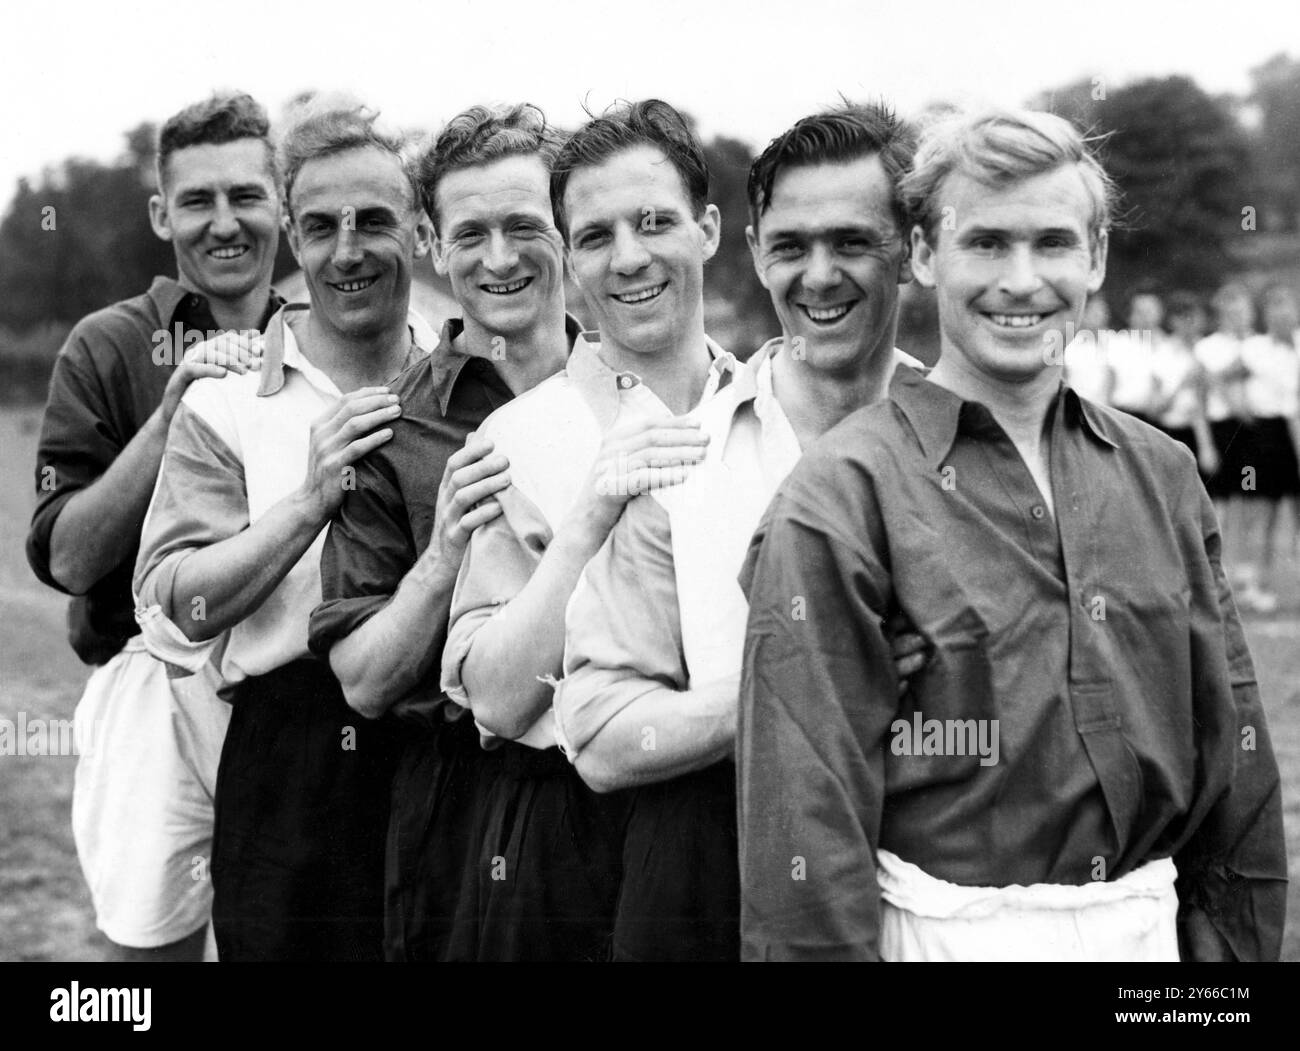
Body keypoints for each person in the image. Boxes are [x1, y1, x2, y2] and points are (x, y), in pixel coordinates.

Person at [736, 108, 1287, 962]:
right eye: (986, 243)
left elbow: (1233, 766)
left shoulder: (1162, 473)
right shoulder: (840, 495)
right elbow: (804, 816)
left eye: (1053, 244)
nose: (1022, 280)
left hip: (1146, 943)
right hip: (940, 937)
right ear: (924, 255)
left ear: (1096, 256)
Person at [554, 103, 924, 961]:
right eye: (792, 246)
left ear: (913, 247)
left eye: (855, 242)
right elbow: (603, 738)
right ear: (755, 251)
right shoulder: (685, 458)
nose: (819, 275)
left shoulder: (974, 447)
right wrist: (798, 686)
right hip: (728, 890)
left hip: (945, 888)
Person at [421, 97, 740, 961]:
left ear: (707, 228)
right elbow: (492, 696)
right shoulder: (519, 436)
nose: (628, 257)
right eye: (595, 235)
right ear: (570, 253)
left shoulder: (759, 412)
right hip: (562, 837)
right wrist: (587, 518)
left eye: (654, 222)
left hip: (740, 817)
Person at [306, 102, 608, 961]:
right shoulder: (388, 431)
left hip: (633, 777)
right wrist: (443, 557)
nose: (500, 257)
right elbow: (363, 686)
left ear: (567, 233)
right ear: (433, 248)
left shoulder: (645, 396)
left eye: (525, 226)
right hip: (463, 802)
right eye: (470, 233)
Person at [134, 104, 435, 961]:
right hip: (290, 762)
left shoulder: (464, 385)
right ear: (294, 243)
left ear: (418, 231)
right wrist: (306, 503)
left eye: (374, 221)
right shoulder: (225, 401)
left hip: (442, 748)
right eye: (320, 226)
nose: (348, 250)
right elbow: (172, 605)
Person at [26, 92, 281, 962]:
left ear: (279, 198)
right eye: (198, 200)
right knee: (149, 954)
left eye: (245, 195)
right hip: (151, 684)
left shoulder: (325, 333)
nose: (225, 223)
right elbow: (66, 557)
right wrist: (176, 410)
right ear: (160, 212)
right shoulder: (107, 344)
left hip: (297, 689)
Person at [1239, 284, 1300, 606]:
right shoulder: (1255, 348)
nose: (1282, 313)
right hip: (1266, 435)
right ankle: (1256, 586)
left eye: (1286, 305)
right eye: (1274, 307)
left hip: (1297, 429)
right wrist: (1241, 410)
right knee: (1262, 512)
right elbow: (1220, 378)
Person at [1148, 291, 1216, 475]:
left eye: (1194, 317)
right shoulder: (1161, 353)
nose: (1190, 323)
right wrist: (1182, 385)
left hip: (1210, 431)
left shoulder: (1209, 348)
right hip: (1172, 432)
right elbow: (1155, 408)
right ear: (1173, 321)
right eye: (1184, 317)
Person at [1107, 290, 1162, 424]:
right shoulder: (1117, 343)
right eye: (1140, 312)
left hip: (1159, 420)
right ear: (1129, 315)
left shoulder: (1168, 345)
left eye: (1150, 311)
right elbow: (1108, 383)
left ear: (1160, 312)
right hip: (1121, 415)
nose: (1145, 317)